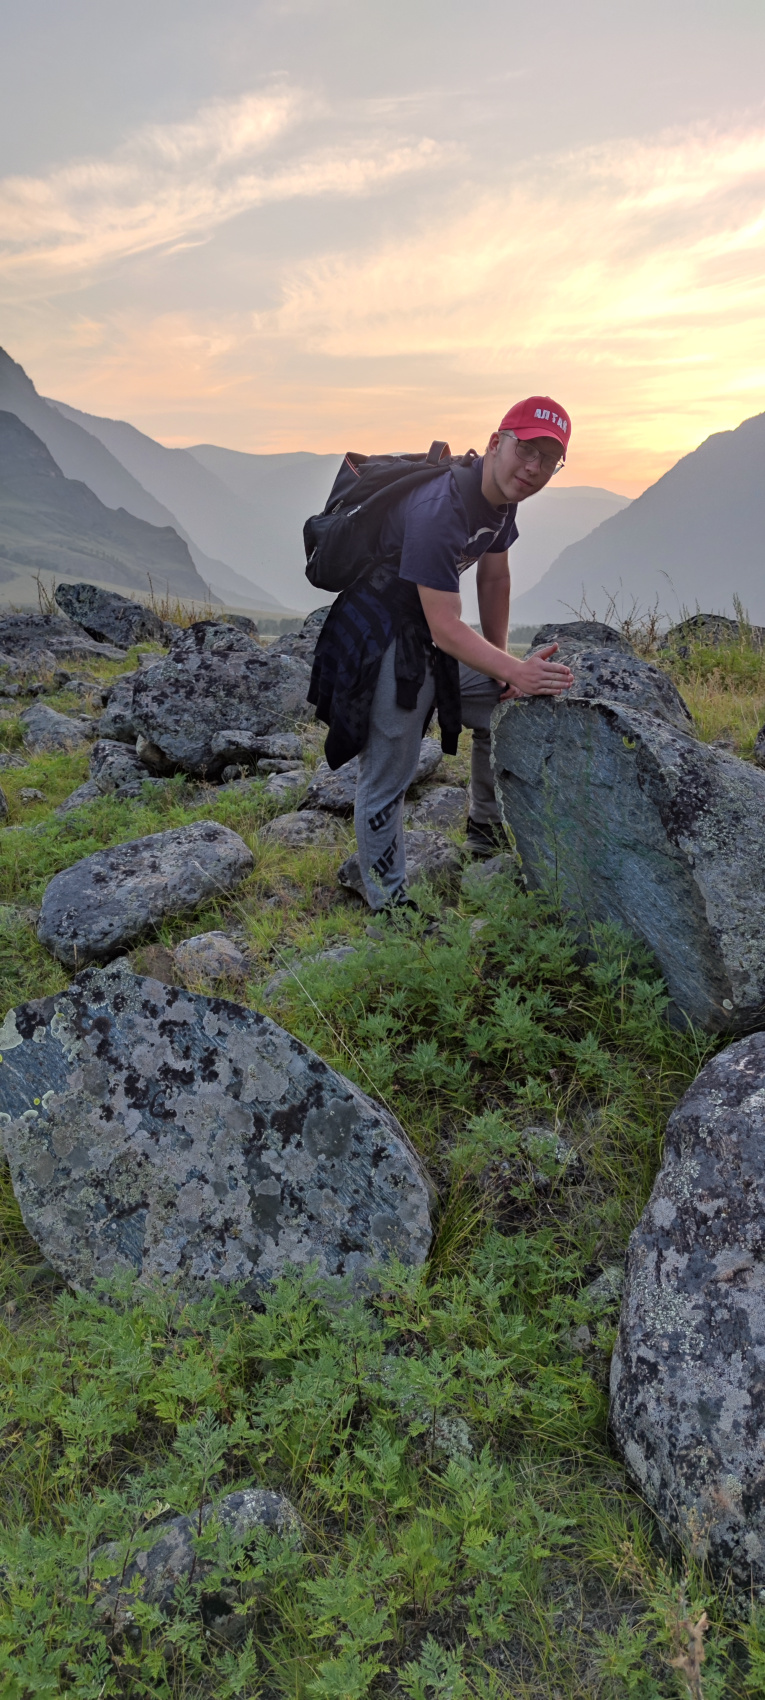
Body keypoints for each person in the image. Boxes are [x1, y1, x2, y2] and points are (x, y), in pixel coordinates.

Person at [308, 396, 575, 911]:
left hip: (429, 637)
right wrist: (514, 667)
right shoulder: (441, 507)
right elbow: (447, 626)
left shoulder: (501, 498)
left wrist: (504, 670)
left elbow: (494, 577)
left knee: (504, 702)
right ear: (497, 443)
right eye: (526, 450)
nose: (533, 468)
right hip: (384, 638)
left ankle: (484, 828)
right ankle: (390, 906)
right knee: (389, 773)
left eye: (548, 458)